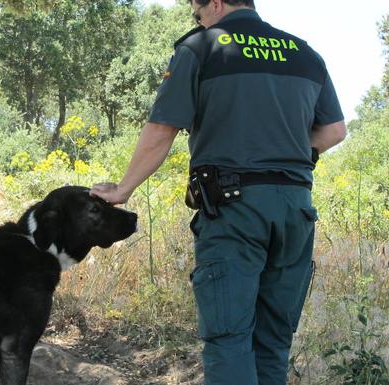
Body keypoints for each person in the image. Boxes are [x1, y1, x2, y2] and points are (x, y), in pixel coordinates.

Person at [89, 0, 347, 384]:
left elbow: (162, 129)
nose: (198, 18)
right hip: (296, 211)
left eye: (198, 10)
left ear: (216, 3)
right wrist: (289, 154)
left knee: (229, 339)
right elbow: (334, 131)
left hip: (235, 211)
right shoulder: (305, 53)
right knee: (273, 342)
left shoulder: (200, 48)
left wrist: (123, 189)